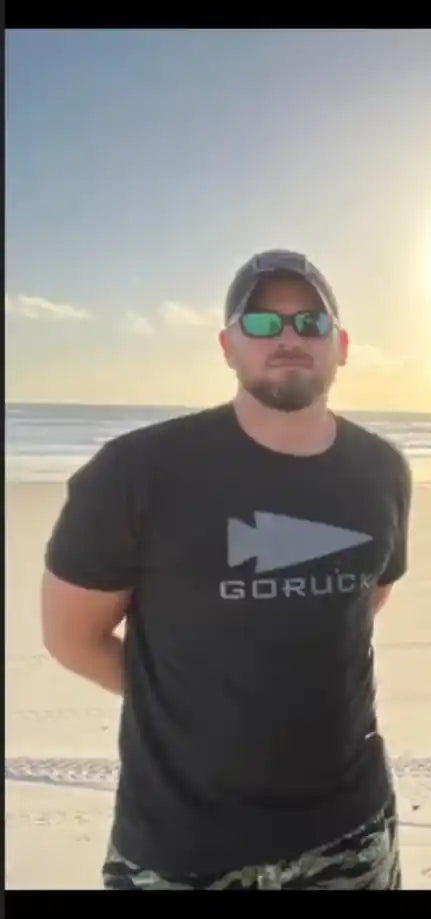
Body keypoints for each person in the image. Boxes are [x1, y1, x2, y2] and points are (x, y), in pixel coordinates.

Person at [40, 249, 412, 890]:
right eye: (263, 324)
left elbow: (364, 600)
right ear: (227, 346)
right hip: (181, 847)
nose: (289, 338)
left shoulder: (382, 470)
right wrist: (184, 698)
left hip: (349, 835)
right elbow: (71, 637)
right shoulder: (136, 473)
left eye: (311, 323)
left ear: (342, 345)